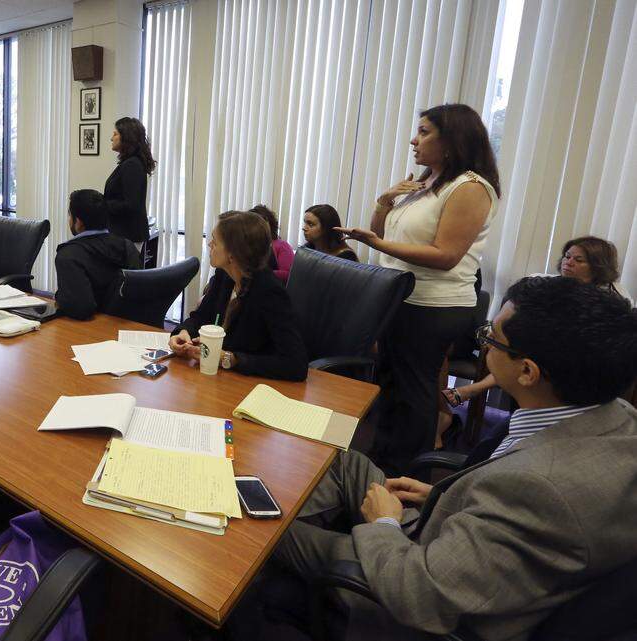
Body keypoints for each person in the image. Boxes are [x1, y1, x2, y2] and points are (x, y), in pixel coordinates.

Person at [230, 276, 637, 641]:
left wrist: (385, 523)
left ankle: (253, 545)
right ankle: (285, 509)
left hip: (410, 578)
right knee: (345, 460)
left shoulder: (540, 489)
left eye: (491, 338)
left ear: (528, 372)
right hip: (456, 538)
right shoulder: (618, 417)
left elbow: (421, 595)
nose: (483, 343)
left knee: (263, 530)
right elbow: (506, 507)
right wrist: (445, 495)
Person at [336, 103, 500, 473]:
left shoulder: (470, 187)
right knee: (391, 386)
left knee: (414, 394)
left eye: (424, 131)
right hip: (400, 297)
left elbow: (445, 254)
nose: (414, 139)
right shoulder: (427, 182)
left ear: (451, 139)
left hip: (433, 305)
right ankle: (381, 465)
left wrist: (375, 245)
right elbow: (380, 231)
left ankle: (407, 475)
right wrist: (384, 201)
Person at [442, 235, 633, 413]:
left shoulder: (613, 299)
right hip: (537, 349)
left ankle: (473, 389)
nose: (569, 262)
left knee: (525, 355)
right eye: (567, 256)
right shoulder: (548, 284)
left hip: (578, 363)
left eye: (579, 260)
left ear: (598, 266)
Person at [168, 211, 308, 380]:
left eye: (215, 241)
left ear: (233, 254)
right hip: (216, 377)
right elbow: (200, 317)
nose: (209, 244)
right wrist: (184, 333)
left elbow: (296, 364)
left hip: (251, 385)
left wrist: (232, 360)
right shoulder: (224, 275)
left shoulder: (269, 291)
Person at [53, 189, 141, 320]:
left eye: (70, 215)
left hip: (89, 330)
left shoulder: (68, 256)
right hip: (126, 325)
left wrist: (59, 297)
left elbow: (80, 309)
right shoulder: (127, 246)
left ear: (78, 222)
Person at [103, 117, 155, 253]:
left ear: (126, 137)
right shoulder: (130, 163)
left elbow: (131, 204)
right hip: (124, 234)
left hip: (128, 235)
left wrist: (103, 204)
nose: (111, 138)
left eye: (115, 134)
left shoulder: (132, 165)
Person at [249, 205, 294, 283]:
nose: (258, 227)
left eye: (262, 223)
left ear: (271, 224)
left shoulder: (282, 246)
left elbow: (288, 274)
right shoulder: (246, 245)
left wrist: (256, 274)